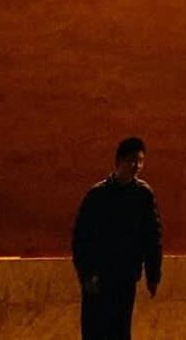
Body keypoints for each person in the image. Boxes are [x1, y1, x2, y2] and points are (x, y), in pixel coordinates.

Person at [71, 137, 164, 340]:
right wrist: (86, 273)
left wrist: (153, 275)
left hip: (125, 278)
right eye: (131, 160)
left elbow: (152, 237)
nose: (136, 166)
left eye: (140, 161)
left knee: (120, 331)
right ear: (118, 161)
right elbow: (81, 238)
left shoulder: (144, 195)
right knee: (95, 331)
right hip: (98, 279)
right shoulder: (97, 195)